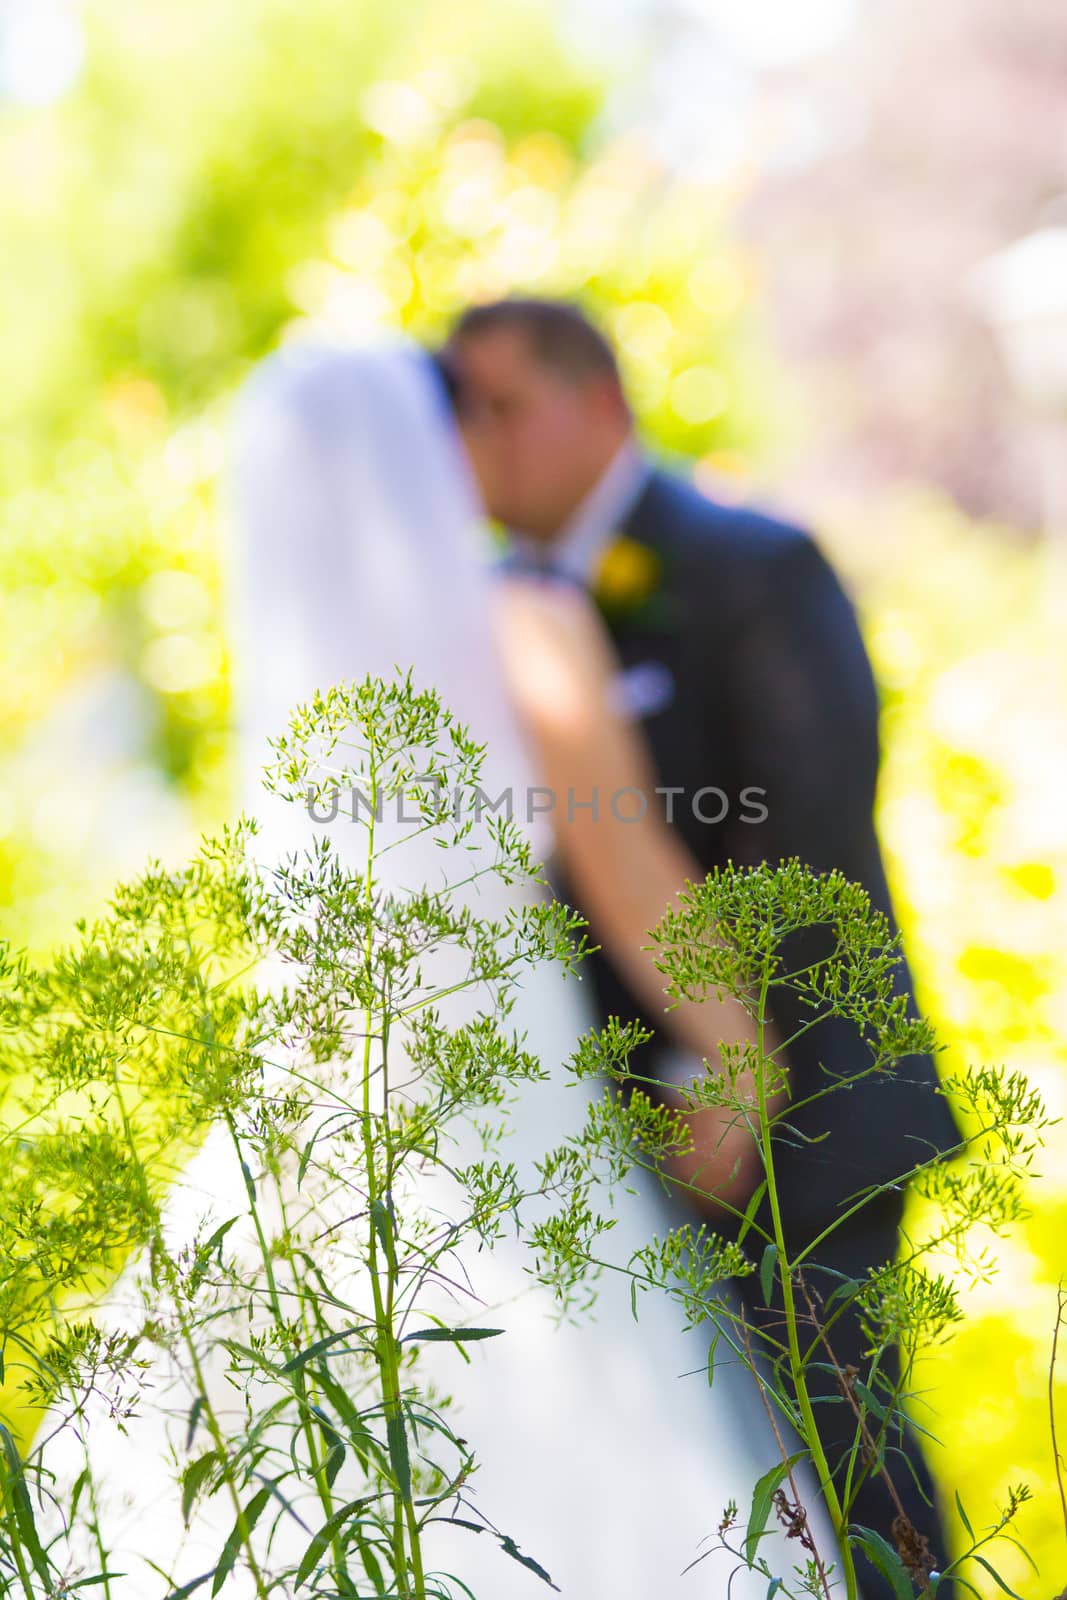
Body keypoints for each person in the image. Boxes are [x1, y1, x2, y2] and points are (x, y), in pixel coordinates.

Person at [224, 335, 838, 1597]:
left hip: (331, 1135)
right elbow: (631, 878)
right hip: (521, 1106)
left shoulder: (290, 679)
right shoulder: (525, 623)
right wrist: (734, 1048)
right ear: (430, 449)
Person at [442, 297, 963, 1597]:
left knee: (850, 1465)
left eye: (501, 406)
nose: (475, 445)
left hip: (799, 1107)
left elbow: (805, 847)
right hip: (618, 1148)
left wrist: (712, 1068)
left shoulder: (751, 566)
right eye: (459, 416)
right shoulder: (486, 617)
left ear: (598, 402)